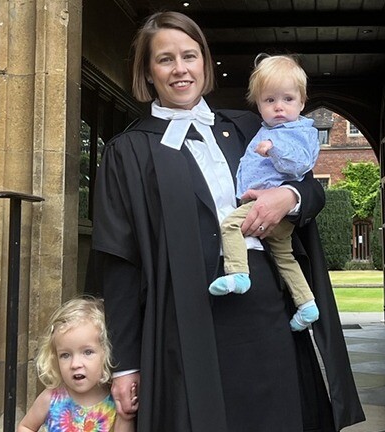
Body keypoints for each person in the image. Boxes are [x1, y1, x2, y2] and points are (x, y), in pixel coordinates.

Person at [86, 11, 364, 432]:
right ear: (147, 71)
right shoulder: (128, 152)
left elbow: (313, 190)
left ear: (205, 63)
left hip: (263, 307)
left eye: (190, 56)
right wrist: (124, 364)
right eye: (165, 59)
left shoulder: (252, 126)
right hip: (182, 318)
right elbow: (120, 262)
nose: (180, 69)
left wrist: (285, 197)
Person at [209, 54, 320, 332]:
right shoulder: (259, 128)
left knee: (231, 225)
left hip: (267, 202)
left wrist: (274, 151)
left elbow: (303, 166)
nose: (279, 107)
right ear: (258, 104)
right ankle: (307, 305)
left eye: (287, 100)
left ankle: (237, 274)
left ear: (302, 102)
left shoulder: (296, 132)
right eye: (270, 101)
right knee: (285, 258)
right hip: (264, 212)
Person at [17, 297, 134, 432]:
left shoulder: (115, 399)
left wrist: (125, 416)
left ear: (106, 352)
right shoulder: (51, 398)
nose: (75, 364)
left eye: (87, 352)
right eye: (65, 355)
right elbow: (25, 427)